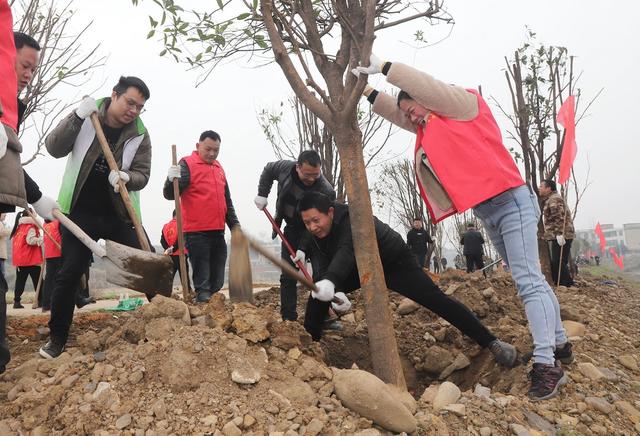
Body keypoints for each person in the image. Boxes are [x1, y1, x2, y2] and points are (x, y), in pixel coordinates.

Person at [353, 54, 571, 401]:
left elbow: (429, 88)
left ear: (425, 101)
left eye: (413, 109)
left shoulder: (465, 105)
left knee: (528, 282)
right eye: (408, 115)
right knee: (528, 277)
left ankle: (548, 364)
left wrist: (386, 69)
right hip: (490, 210)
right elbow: (396, 111)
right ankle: (559, 342)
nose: (410, 118)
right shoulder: (430, 123)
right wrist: (364, 89)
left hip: (511, 200)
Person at [299, 192, 517, 368]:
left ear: (330, 212)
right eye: (307, 223)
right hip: (355, 267)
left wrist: (332, 279)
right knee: (317, 294)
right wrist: (327, 284)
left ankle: (490, 342)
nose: (312, 227)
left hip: (395, 263)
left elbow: (346, 249)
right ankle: (309, 345)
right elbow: (320, 259)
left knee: (436, 300)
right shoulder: (313, 231)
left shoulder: (351, 218)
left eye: (316, 221)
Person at [40, 76, 153, 359]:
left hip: (119, 214)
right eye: (130, 103)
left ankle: (169, 321)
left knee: (149, 264)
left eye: (140, 107)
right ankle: (57, 339)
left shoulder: (139, 133)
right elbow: (53, 148)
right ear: (114, 95)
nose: (134, 111)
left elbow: (143, 174)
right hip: (79, 211)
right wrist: (75, 116)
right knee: (69, 273)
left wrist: (128, 176)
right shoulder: (87, 116)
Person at [1, 18, 58, 372]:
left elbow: (9, 162)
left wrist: (35, 197)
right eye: (24, 66)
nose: (28, 75)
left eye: (33, 70)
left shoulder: (12, 107)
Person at [254, 150, 336, 321]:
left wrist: (303, 248)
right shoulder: (285, 168)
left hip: (317, 233)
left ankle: (321, 317)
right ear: (298, 167)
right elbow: (268, 170)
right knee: (289, 276)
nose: (312, 179)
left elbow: (318, 224)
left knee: (321, 275)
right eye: (308, 175)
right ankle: (288, 318)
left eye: (316, 174)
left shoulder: (325, 190)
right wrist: (263, 193)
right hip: (291, 228)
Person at [164, 130, 239, 303]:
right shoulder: (186, 164)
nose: (212, 153)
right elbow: (170, 194)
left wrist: (235, 226)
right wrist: (170, 179)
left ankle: (211, 303)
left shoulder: (219, 167)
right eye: (208, 149)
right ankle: (202, 302)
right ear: (198, 146)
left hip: (218, 231)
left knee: (218, 278)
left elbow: (227, 201)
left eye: (216, 150)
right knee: (203, 280)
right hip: (196, 233)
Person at [538, 179, 575, 287]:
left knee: (558, 261)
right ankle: (567, 282)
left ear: (549, 188)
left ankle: (564, 284)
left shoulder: (554, 200)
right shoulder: (550, 199)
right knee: (559, 261)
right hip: (558, 234)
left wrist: (559, 234)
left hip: (561, 235)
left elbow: (558, 217)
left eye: (541, 186)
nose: (539, 188)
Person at [10, 209, 43, 308]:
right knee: (39, 282)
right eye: (34, 212)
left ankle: (16, 302)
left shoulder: (19, 227)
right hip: (31, 259)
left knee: (20, 281)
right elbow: (30, 240)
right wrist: (41, 239)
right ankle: (41, 301)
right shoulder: (31, 227)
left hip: (20, 260)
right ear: (31, 215)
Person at [160, 210, 192, 292]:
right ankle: (188, 294)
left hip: (169, 257)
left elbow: (162, 241)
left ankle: (165, 294)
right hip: (181, 255)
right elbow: (180, 241)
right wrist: (173, 249)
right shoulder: (182, 225)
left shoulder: (165, 226)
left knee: (169, 279)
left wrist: (168, 250)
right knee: (184, 278)